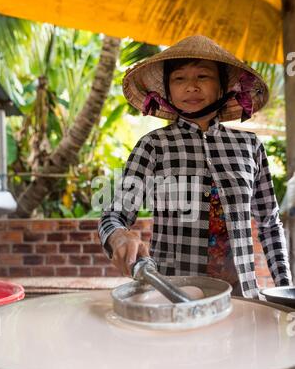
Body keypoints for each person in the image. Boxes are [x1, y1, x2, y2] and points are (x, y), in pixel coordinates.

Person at [98, 35, 292, 299]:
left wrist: (287, 288)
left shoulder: (249, 145)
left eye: (203, 76)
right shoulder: (154, 146)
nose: (191, 87)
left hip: (243, 297)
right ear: (167, 90)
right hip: (175, 295)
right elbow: (114, 215)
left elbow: (269, 224)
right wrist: (118, 237)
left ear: (223, 87)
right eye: (179, 79)